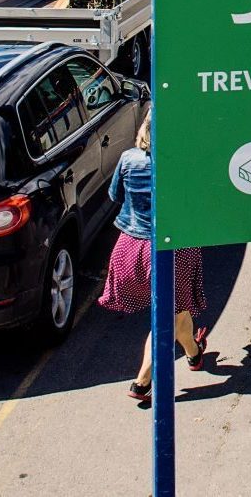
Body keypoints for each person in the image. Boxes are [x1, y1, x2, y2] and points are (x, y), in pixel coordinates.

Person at [100, 117, 208, 403]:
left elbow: (115, 196)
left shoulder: (128, 158)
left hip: (129, 249)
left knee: (177, 311)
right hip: (171, 250)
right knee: (166, 317)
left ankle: (194, 353)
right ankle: (142, 382)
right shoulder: (183, 163)